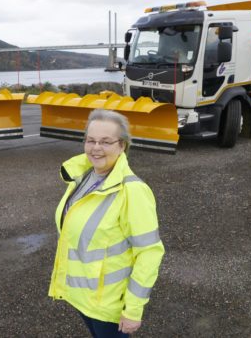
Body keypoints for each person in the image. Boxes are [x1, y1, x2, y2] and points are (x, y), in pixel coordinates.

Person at [48, 109, 165, 337]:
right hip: (83, 297)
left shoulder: (132, 191)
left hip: (108, 305)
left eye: (105, 141)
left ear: (122, 145)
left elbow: (150, 253)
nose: (96, 148)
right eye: (90, 140)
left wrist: (133, 310)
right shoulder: (83, 177)